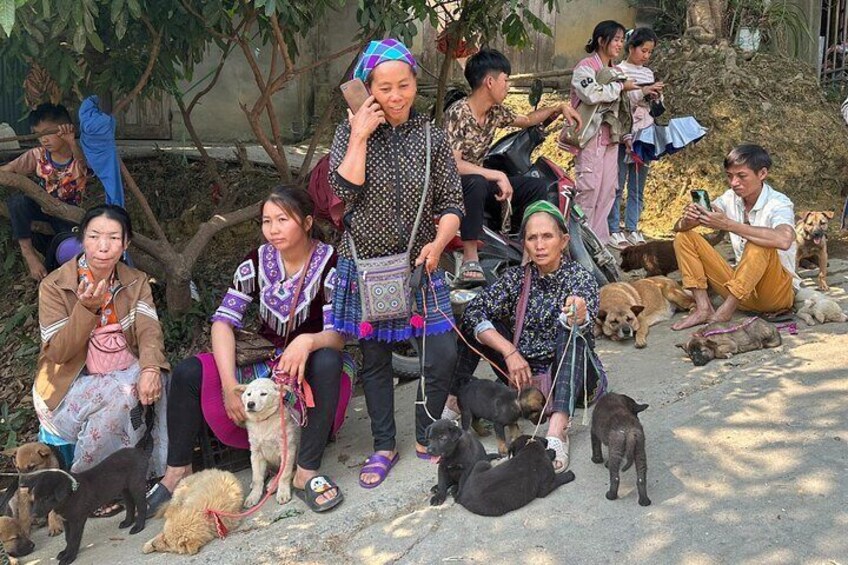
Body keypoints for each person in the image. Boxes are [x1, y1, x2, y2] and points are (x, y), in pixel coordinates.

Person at [147, 186, 350, 515]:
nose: (273, 229)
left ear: (308, 222)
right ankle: (177, 473)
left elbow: (338, 336)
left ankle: (306, 470)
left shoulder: (331, 263)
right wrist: (229, 386)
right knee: (188, 372)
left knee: (329, 361)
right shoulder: (257, 261)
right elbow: (223, 323)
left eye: (283, 219)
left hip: (312, 358)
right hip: (267, 358)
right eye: (267, 221)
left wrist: (307, 341)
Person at [329, 39, 465, 488]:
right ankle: (384, 445)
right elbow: (343, 192)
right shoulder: (348, 132)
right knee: (375, 358)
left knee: (442, 350)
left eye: (403, 84)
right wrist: (360, 135)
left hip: (420, 262)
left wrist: (441, 240)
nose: (396, 95)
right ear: (368, 89)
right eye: (384, 87)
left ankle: (427, 432)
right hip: (367, 268)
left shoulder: (431, 135)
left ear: (414, 83)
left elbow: (451, 200)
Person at [450, 200, 608, 471]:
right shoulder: (516, 279)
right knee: (475, 319)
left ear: (564, 240)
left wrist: (578, 313)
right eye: (532, 238)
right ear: (524, 243)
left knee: (570, 330)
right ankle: (455, 401)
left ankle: (558, 428)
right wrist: (509, 351)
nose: (540, 244)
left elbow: (586, 312)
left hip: (575, 379)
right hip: (523, 380)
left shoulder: (579, 277)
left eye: (547, 236)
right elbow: (475, 311)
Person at [34, 204, 168, 516]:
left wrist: (150, 368)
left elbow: (150, 331)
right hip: (67, 389)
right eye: (94, 236)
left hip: (124, 370)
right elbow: (58, 353)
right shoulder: (55, 286)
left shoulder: (134, 281)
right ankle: (83, 488)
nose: (103, 246)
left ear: (126, 244)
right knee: (121, 393)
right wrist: (86, 309)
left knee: (158, 377)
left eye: (112, 238)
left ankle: (148, 475)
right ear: (82, 239)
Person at [443, 48, 582, 286]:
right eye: (505, 80)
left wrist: (558, 108)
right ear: (490, 82)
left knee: (536, 187)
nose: (507, 86)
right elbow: (453, 165)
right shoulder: (459, 113)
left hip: (479, 182)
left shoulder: (494, 112)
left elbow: (527, 120)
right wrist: (496, 174)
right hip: (455, 186)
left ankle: (529, 248)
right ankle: (470, 258)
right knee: (476, 182)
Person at [671, 144, 798, 330]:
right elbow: (678, 228)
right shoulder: (730, 198)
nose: (734, 183)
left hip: (775, 295)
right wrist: (690, 219)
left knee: (759, 242)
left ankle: (724, 313)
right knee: (684, 237)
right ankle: (703, 308)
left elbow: (784, 239)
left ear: (762, 174)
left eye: (741, 176)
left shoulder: (779, 203)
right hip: (740, 290)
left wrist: (729, 225)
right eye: (730, 176)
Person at [570, 20, 642, 245]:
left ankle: (598, 242)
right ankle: (579, 241)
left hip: (611, 139)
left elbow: (622, 108)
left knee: (608, 190)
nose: (620, 44)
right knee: (588, 189)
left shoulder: (615, 71)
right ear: (602, 41)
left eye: (622, 40)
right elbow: (591, 94)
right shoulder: (585, 67)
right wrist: (620, 87)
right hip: (590, 138)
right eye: (616, 39)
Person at [1, 103, 90, 281]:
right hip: (41, 209)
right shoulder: (37, 155)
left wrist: (72, 141)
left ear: (65, 128)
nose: (44, 140)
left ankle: (59, 274)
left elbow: (86, 167)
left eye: (49, 133)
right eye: (39, 134)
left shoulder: (78, 155)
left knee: (73, 246)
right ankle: (30, 256)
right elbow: (8, 170)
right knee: (18, 202)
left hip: (67, 214)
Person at [608, 27, 665, 249]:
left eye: (650, 52)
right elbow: (623, 100)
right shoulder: (619, 70)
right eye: (643, 50)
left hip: (645, 135)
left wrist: (656, 96)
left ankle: (632, 227)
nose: (646, 56)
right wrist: (643, 92)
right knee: (616, 184)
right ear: (631, 47)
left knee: (638, 185)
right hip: (624, 135)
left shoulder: (648, 73)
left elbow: (654, 106)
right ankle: (613, 228)